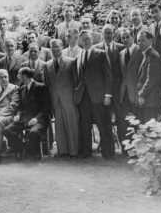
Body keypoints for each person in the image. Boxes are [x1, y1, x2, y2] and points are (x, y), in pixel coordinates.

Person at [75, 31, 114, 159]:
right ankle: (86, 152)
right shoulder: (80, 55)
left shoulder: (101, 53)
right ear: (81, 41)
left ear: (92, 39)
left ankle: (108, 152)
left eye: (88, 39)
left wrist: (108, 95)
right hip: (84, 97)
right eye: (84, 39)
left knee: (103, 124)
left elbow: (108, 76)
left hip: (98, 96)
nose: (86, 41)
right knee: (85, 125)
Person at [3, 67, 52, 159]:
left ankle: (31, 151)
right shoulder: (21, 89)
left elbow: (46, 107)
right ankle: (23, 148)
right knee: (7, 130)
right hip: (24, 119)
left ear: (24, 76)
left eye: (19, 74)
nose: (17, 76)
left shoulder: (41, 87)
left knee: (33, 133)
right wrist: (18, 114)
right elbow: (20, 106)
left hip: (39, 120)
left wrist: (36, 118)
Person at [44, 39, 79, 157]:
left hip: (69, 99)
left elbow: (76, 82)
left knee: (71, 125)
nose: (54, 49)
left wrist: (75, 98)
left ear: (62, 47)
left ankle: (74, 151)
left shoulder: (71, 62)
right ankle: (62, 151)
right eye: (52, 47)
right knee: (59, 127)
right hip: (56, 100)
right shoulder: (47, 65)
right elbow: (48, 84)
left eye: (57, 47)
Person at [95, 24, 125, 129]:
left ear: (114, 34)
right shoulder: (96, 49)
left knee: (121, 118)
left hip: (118, 89)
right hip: (103, 90)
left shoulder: (121, 48)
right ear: (102, 34)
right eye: (106, 33)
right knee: (105, 120)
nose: (108, 35)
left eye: (110, 32)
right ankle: (107, 144)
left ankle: (123, 143)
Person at [118, 29, 143, 154]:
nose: (125, 39)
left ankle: (139, 150)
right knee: (125, 122)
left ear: (132, 37)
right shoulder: (121, 53)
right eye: (123, 38)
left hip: (136, 92)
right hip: (124, 93)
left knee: (137, 121)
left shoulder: (140, 51)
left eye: (127, 37)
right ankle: (128, 149)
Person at [136, 31, 161, 123]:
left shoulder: (153, 55)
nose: (140, 43)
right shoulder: (146, 54)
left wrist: (142, 95)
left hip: (151, 101)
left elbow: (152, 79)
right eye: (138, 41)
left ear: (151, 41)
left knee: (150, 131)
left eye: (143, 40)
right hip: (148, 101)